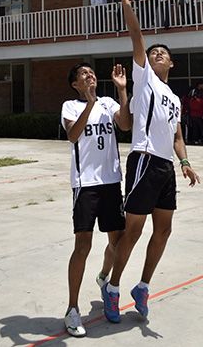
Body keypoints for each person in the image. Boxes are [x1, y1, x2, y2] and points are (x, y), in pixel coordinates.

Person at [101, 0, 200, 324]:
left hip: (165, 167)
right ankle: (112, 289)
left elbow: (176, 135)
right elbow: (137, 37)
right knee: (134, 230)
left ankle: (142, 287)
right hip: (142, 160)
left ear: (171, 62)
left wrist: (185, 161)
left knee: (164, 230)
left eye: (162, 53)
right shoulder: (144, 80)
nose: (156, 54)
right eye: (153, 52)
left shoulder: (173, 96)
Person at [60, 62, 131, 337]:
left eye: (91, 73)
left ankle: (104, 278)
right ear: (75, 84)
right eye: (83, 74)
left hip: (111, 181)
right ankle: (72, 308)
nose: (89, 76)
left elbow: (124, 124)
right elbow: (72, 135)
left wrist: (122, 91)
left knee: (118, 240)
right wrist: (88, 104)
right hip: (85, 184)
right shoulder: (70, 106)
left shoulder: (108, 102)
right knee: (83, 245)